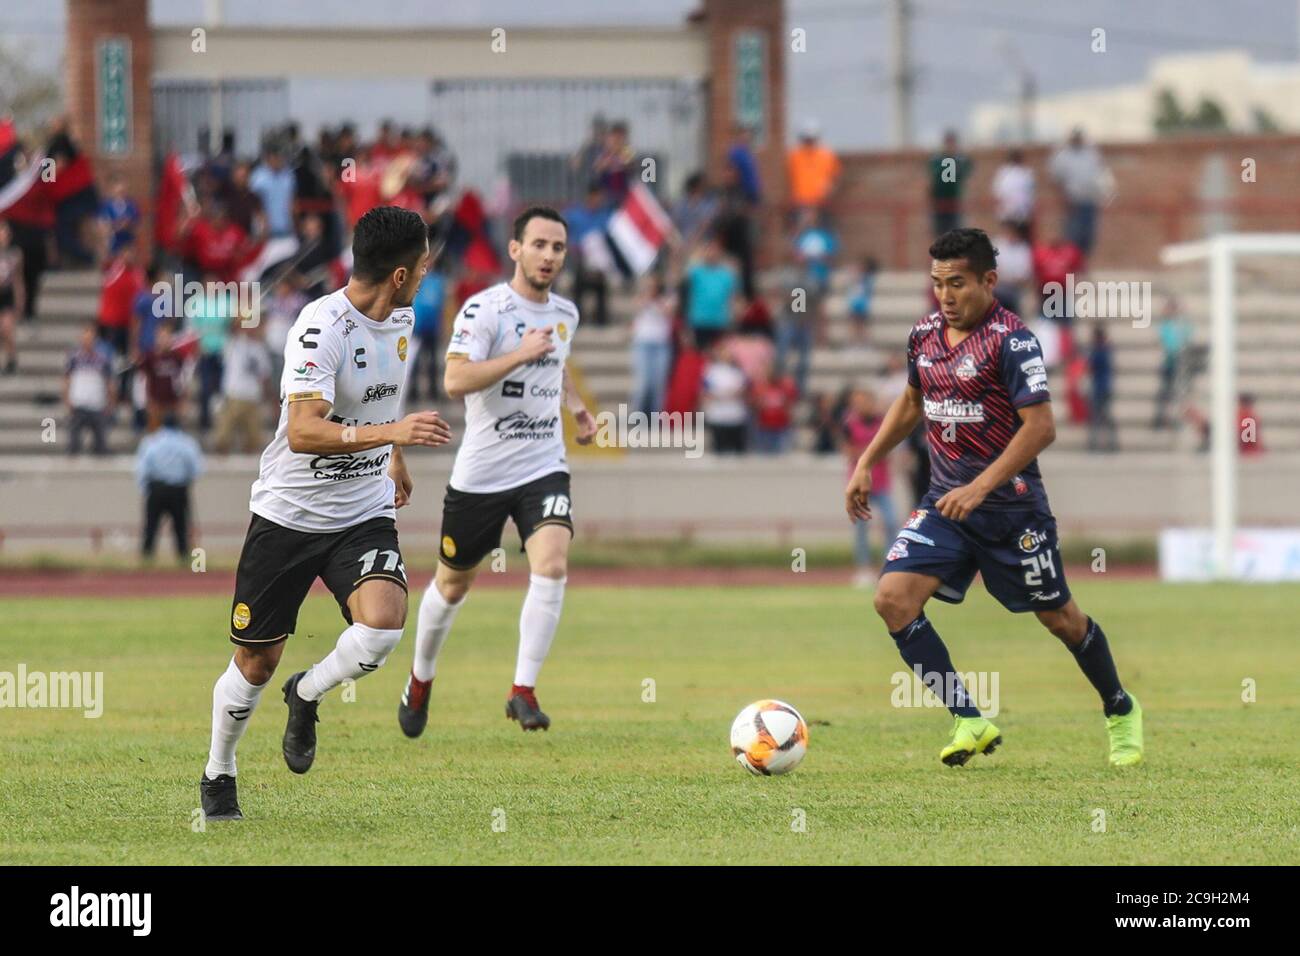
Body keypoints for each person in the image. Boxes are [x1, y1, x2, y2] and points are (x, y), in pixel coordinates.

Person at [844, 228, 1143, 768]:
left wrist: (981, 487)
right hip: (946, 506)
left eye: (957, 283)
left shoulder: (1013, 340)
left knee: (1060, 620)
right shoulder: (924, 336)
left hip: (1012, 511)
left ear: (989, 280)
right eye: (938, 284)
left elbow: (1042, 427)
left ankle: (1120, 707)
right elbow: (912, 403)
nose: (946, 296)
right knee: (891, 599)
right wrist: (867, 461)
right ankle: (969, 718)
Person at [199, 206, 454, 822]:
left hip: (362, 509)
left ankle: (307, 693)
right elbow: (305, 430)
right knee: (256, 661)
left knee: (384, 626)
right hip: (289, 514)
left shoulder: (402, 316)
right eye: (421, 266)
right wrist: (393, 431)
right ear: (399, 272)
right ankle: (219, 771)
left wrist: (391, 454)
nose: (425, 275)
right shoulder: (320, 327)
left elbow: (377, 397)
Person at [399, 205, 598, 740]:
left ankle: (523, 690)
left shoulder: (566, 315)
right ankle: (420, 679)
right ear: (515, 249)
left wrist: (576, 407)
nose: (549, 256)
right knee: (452, 584)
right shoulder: (484, 310)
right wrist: (518, 355)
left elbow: (553, 368)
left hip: (543, 464)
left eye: (557, 247)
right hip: (483, 473)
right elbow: (455, 380)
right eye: (539, 245)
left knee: (552, 564)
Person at [842, 388, 898, 587]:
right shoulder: (849, 424)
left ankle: (891, 566)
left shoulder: (883, 422)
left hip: (881, 482)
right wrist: (871, 453)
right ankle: (863, 569)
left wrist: (867, 452)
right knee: (861, 529)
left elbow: (891, 447)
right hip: (858, 485)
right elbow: (848, 451)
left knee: (891, 522)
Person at [136, 413, 204, 561]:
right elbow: (196, 469)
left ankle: (146, 560)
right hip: (178, 490)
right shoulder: (187, 443)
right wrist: (185, 482)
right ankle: (184, 560)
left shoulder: (151, 441)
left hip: (156, 488)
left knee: (150, 528)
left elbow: (142, 469)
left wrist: (145, 490)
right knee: (181, 529)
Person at [213, 320, 273, 455]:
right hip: (233, 392)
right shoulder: (233, 344)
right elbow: (231, 328)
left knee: (253, 435)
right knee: (224, 433)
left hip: (252, 395)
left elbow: (264, 374)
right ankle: (222, 460)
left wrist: (266, 393)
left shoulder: (259, 348)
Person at [1048, 128, 1108, 258]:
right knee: (1072, 237)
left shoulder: (1090, 154)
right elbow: (1056, 180)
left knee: (1088, 237)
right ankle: (1071, 266)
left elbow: (1100, 174)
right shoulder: (1063, 156)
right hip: (1073, 202)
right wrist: (1063, 198)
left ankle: (1083, 265)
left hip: (1090, 200)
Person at [64, 323, 116, 455]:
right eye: (86, 337)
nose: (88, 340)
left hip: (97, 405)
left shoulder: (103, 359)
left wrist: (110, 402)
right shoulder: (74, 358)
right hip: (78, 403)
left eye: (91, 337)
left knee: (101, 447)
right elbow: (66, 380)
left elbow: (109, 382)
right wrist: (67, 400)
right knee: (73, 446)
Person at [630, 272, 675, 416]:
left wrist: (657, 300)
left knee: (658, 384)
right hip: (643, 343)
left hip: (661, 344)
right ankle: (638, 418)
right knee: (643, 383)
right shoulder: (641, 299)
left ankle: (655, 419)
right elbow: (637, 306)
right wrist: (646, 296)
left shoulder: (667, 299)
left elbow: (669, 312)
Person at [684, 236, 738, 350]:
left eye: (715, 250)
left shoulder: (727, 274)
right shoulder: (696, 271)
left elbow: (732, 298)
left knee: (719, 355)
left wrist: (733, 318)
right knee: (700, 356)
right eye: (709, 250)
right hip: (699, 321)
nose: (712, 253)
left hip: (720, 321)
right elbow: (681, 282)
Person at [701, 340, 749, 454]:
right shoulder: (711, 370)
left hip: (735, 415)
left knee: (738, 451)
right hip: (718, 415)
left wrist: (730, 393)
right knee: (720, 450)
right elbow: (705, 391)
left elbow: (743, 389)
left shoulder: (738, 371)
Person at [787, 120, 841, 215]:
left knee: (823, 228)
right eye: (807, 138)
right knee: (804, 228)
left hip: (822, 203)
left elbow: (836, 177)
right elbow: (788, 178)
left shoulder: (827, 155)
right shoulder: (795, 155)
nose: (809, 142)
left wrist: (830, 190)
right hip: (801, 203)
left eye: (811, 138)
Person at [928, 130, 971, 237]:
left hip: (954, 205)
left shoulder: (959, 160)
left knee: (956, 237)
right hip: (939, 205)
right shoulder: (938, 160)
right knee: (940, 237)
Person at [749, 358, 798, 454]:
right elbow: (753, 405)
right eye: (769, 371)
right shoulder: (759, 387)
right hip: (764, 427)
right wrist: (759, 403)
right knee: (763, 457)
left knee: (781, 458)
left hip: (781, 426)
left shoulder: (786, 386)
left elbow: (791, 405)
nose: (772, 373)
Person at [1086, 324, 1117, 452]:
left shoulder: (1098, 351)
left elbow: (1091, 365)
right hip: (1105, 386)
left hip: (1099, 387)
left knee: (1097, 418)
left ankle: (1095, 445)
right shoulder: (1107, 350)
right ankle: (1111, 444)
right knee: (1105, 417)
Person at [0, 220, 24, 374]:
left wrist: (20, 300)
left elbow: (17, 280)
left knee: (7, 328)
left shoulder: (15, 254)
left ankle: (11, 358)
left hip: (7, 295)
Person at [991, 148, 1035, 231]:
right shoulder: (1004, 173)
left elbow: (1031, 194)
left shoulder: (1026, 173)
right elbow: (997, 194)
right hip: (1012, 212)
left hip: (1020, 213)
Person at [846, 256, 878, 346]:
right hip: (854, 304)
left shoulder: (866, 279)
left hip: (862, 305)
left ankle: (865, 343)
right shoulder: (853, 280)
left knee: (862, 324)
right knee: (853, 324)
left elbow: (867, 292)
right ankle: (854, 343)